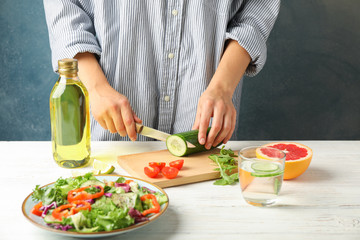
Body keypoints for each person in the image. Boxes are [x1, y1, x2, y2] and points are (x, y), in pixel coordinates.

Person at [43, 1, 280, 149]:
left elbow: (255, 12)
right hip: (111, 140)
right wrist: (96, 88)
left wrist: (222, 88)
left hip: (203, 136)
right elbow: (65, 12)